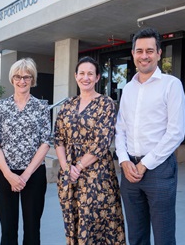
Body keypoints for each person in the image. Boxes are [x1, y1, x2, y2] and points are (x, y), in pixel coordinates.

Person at [115, 28, 185, 245]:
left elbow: (176, 132)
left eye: (149, 50)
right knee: (136, 235)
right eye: (139, 51)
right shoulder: (127, 89)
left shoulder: (171, 85)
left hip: (159, 169)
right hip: (129, 172)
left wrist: (144, 165)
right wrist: (124, 161)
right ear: (133, 53)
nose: (144, 55)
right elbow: (120, 129)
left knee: (163, 236)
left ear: (158, 53)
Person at [54, 56, 126, 244]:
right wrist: (66, 168)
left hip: (97, 176)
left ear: (97, 78)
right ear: (76, 76)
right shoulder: (67, 105)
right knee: (73, 222)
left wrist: (77, 167)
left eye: (90, 74)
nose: (85, 78)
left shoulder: (106, 104)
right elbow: (58, 138)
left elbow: (102, 142)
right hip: (69, 176)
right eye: (82, 73)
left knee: (96, 225)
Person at [0, 58, 51, 245]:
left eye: (26, 76)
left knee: (32, 228)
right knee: (8, 229)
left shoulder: (41, 107)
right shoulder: (0, 107)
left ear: (32, 79)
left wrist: (25, 175)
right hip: (5, 174)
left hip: (33, 174)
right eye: (17, 76)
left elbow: (45, 142)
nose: (22, 81)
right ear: (12, 78)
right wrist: (9, 174)